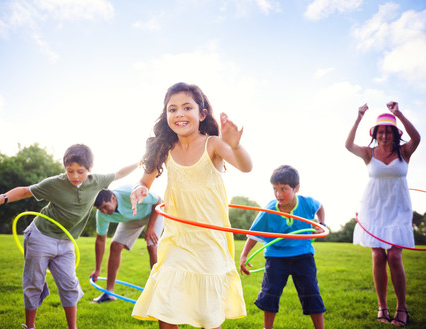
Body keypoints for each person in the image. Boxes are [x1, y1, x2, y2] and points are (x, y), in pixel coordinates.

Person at [129, 82, 252, 329]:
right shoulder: (164, 148)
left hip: (210, 241)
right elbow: (145, 180)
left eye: (187, 107)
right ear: (166, 116)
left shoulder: (214, 144)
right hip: (177, 238)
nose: (179, 114)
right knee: (166, 302)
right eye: (172, 109)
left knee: (208, 315)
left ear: (202, 114)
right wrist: (139, 188)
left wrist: (236, 145)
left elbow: (246, 166)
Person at [0, 144, 138, 329]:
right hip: (41, 236)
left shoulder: (96, 180)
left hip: (67, 241)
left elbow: (119, 173)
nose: (75, 176)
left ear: (90, 169)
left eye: (80, 171)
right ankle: (30, 326)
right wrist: (1, 198)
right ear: (65, 168)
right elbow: (25, 190)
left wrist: (141, 162)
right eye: (70, 171)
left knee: (70, 284)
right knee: (34, 283)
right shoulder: (55, 183)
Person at [345, 102, 421, 326]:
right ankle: (382, 306)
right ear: (375, 133)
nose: (385, 134)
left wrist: (399, 113)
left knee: (395, 257)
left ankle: (402, 308)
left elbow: (417, 138)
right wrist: (359, 116)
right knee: (378, 256)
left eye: (388, 130)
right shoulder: (369, 153)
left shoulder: (404, 151)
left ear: (395, 133)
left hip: (398, 209)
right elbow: (348, 145)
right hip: (373, 208)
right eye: (381, 130)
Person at [240, 165, 326, 329]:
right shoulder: (269, 210)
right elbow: (254, 234)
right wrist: (244, 255)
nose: (279, 194)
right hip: (276, 257)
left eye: (284, 189)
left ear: (296, 188)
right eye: (275, 189)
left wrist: (321, 223)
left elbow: (320, 206)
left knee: (311, 292)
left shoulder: (307, 203)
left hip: (303, 255)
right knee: (269, 293)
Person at [90, 185, 164, 304]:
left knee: (151, 245)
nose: (104, 211)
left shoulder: (128, 193)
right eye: (100, 209)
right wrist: (97, 269)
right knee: (115, 246)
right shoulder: (102, 214)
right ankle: (109, 293)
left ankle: (160, 291)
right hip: (134, 217)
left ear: (113, 198)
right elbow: (100, 240)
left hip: (153, 212)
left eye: (105, 207)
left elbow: (158, 200)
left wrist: (150, 228)